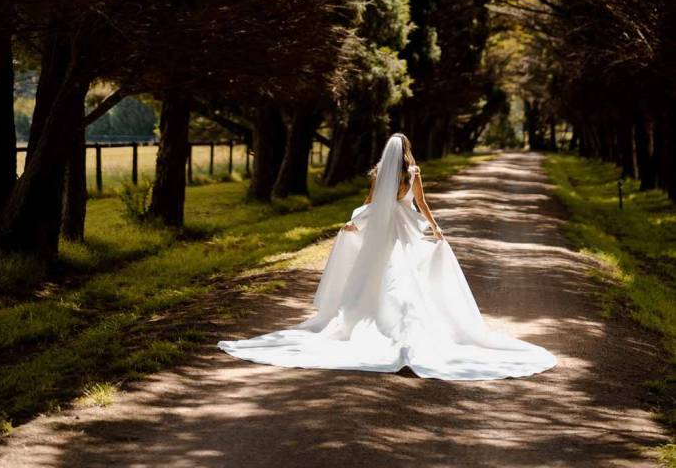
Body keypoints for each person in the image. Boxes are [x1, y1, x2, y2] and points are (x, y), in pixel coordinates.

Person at [217, 133, 556, 380]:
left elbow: (371, 203)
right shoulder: (413, 173)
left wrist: (356, 222)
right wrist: (435, 227)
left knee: (377, 272)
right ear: (407, 150)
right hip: (404, 228)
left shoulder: (380, 173)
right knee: (406, 274)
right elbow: (421, 204)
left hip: (382, 229)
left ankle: (372, 321)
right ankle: (404, 326)